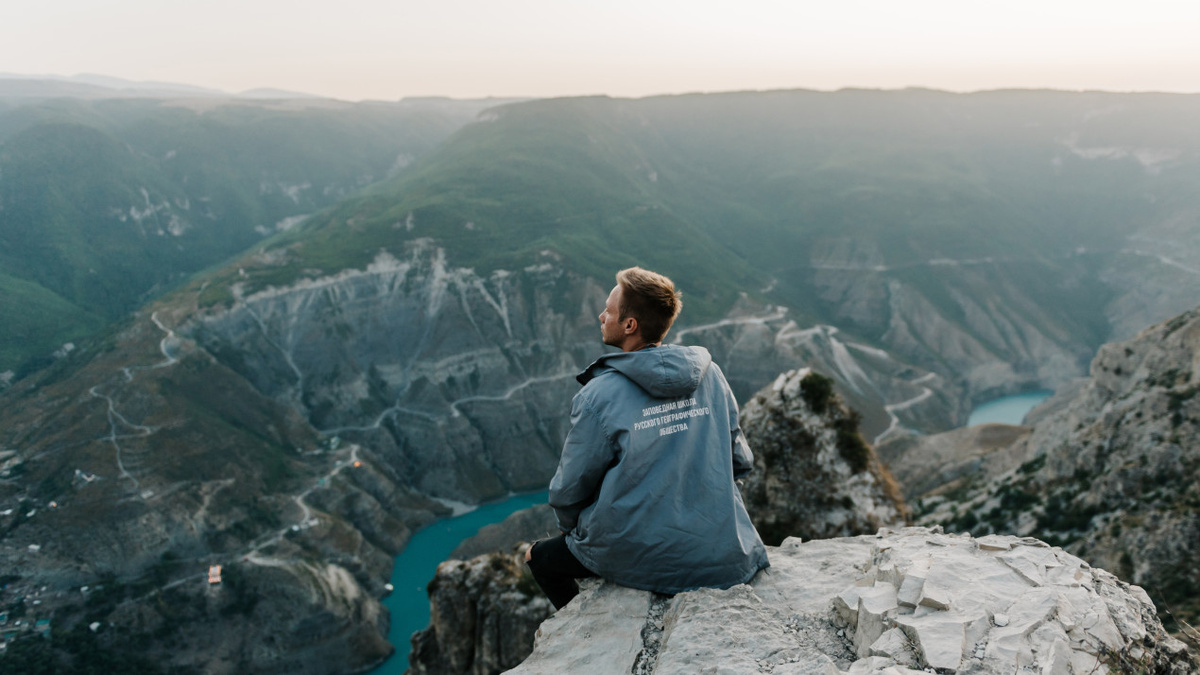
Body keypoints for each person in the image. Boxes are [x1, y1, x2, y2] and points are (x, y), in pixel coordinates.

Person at [525, 266, 769, 610]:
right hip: (723, 551)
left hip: (638, 553)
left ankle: (587, 632)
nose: (600, 315)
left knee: (537, 558)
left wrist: (574, 531)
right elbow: (740, 461)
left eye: (608, 310)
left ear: (629, 325)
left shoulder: (599, 395)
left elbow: (569, 489)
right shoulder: (711, 376)